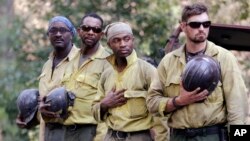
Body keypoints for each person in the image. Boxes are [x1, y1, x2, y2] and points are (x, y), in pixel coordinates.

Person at [146, 3, 248, 141]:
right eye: (195, 25)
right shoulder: (169, 61)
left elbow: (238, 106)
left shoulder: (224, 58)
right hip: (179, 136)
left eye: (206, 24)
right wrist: (178, 101)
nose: (201, 29)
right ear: (183, 26)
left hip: (212, 136)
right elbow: (152, 102)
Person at [92, 22, 155, 141]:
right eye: (116, 40)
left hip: (139, 137)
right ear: (109, 44)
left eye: (127, 39)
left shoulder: (147, 71)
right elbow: (94, 111)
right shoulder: (106, 75)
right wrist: (105, 104)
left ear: (133, 40)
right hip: (111, 136)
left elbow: (160, 111)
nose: (122, 44)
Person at [60, 13, 110, 141]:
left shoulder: (108, 61)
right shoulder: (70, 58)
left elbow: (109, 107)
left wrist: (100, 138)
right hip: (65, 130)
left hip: (89, 131)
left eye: (96, 29)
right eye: (86, 28)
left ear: (101, 34)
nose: (91, 32)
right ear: (79, 31)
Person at [38, 16, 79, 141]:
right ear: (48, 35)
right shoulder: (47, 65)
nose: (58, 34)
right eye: (53, 30)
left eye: (63, 30)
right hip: (47, 133)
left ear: (71, 34)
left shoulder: (82, 61)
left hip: (71, 133)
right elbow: (44, 99)